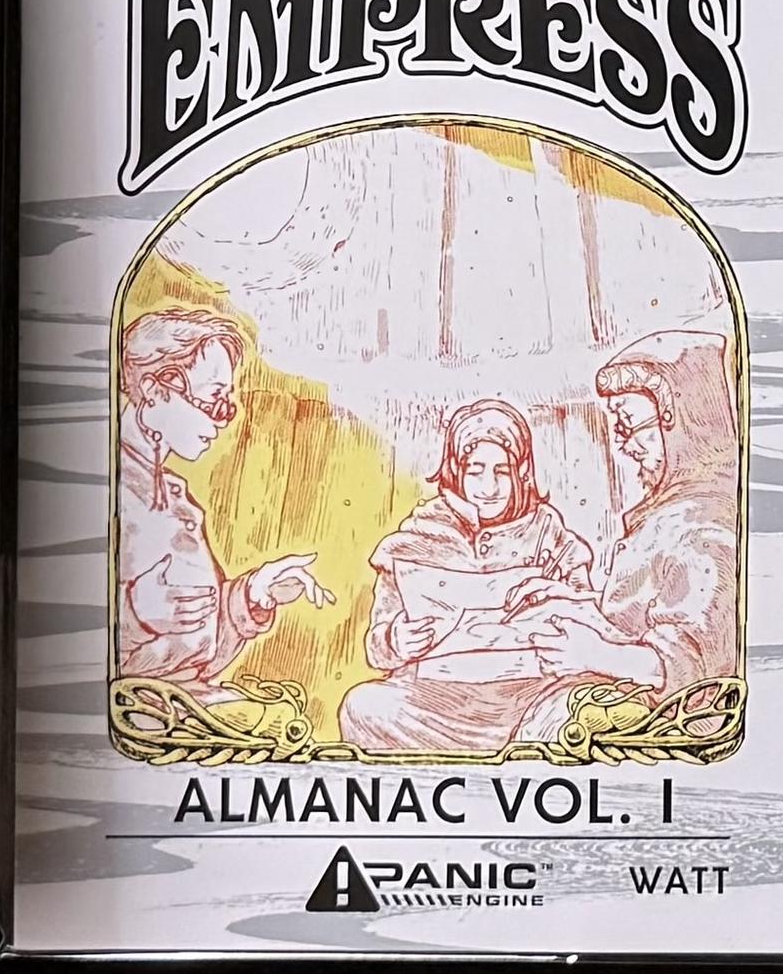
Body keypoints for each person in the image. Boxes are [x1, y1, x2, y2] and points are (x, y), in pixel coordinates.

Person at [336, 399, 600, 755]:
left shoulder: (547, 530)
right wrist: (397, 639)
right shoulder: (422, 532)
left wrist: (558, 598)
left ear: (521, 471)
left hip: (529, 699)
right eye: (476, 471)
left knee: (577, 708)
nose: (489, 487)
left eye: (501, 471)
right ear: (457, 471)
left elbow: (590, 617)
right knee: (363, 706)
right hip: (434, 704)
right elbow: (377, 646)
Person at [518, 329, 747, 729]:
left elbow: (689, 664)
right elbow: (638, 616)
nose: (624, 445)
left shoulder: (704, 530)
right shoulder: (669, 515)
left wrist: (596, 656)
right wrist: (577, 600)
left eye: (629, 425)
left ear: (684, 422)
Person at [114, 308, 329, 688]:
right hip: (138, 706)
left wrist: (253, 595)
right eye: (214, 398)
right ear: (154, 390)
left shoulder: (176, 497)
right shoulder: (109, 487)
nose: (224, 417)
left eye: (227, 402)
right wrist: (134, 614)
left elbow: (201, 648)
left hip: (187, 697)